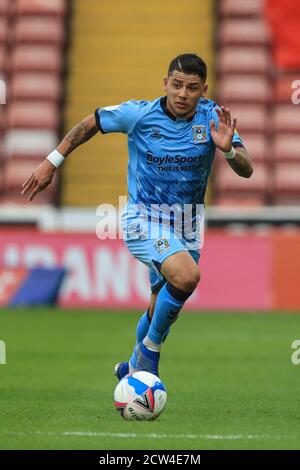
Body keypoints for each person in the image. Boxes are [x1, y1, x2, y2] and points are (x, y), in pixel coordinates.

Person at [21, 53, 253, 379]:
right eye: (176, 85)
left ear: (204, 89)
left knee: (161, 305)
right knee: (186, 277)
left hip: (186, 223)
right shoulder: (139, 114)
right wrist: (51, 163)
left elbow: (247, 169)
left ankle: (131, 366)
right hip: (142, 218)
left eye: (191, 88)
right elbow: (91, 123)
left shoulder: (213, 117)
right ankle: (148, 357)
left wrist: (228, 150)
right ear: (165, 83)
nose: (183, 94)